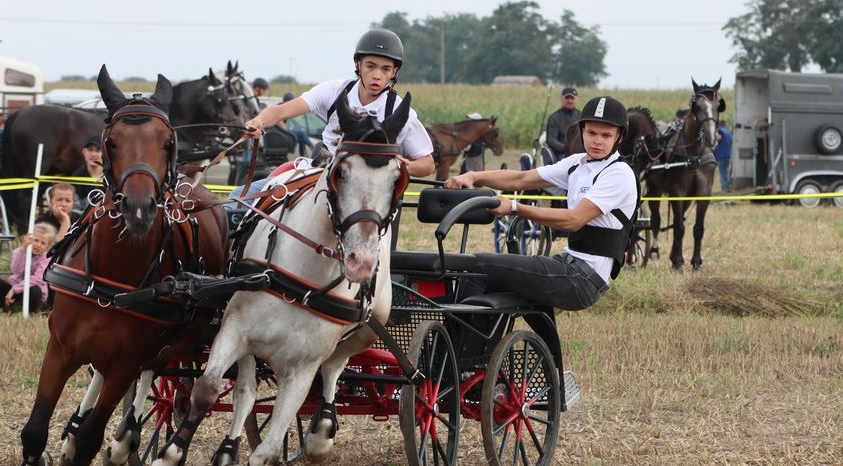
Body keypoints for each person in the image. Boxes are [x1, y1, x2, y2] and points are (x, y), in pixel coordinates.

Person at [445, 96, 638, 310]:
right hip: (567, 263)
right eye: (591, 133)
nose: (597, 141)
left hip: (583, 280)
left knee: (477, 264)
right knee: (482, 273)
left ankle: (454, 337)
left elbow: (574, 220)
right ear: (582, 131)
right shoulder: (577, 163)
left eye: (606, 135)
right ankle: (467, 338)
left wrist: (515, 207)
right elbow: (521, 178)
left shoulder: (618, 173)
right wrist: (473, 176)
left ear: (619, 137)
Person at [240, 28, 436, 178]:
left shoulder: (400, 111)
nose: (377, 75)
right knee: (241, 197)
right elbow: (281, 111)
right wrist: (258, 122)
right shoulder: (332, 91)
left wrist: (402, 166)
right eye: (370, 66)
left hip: (371, 188)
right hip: (320, 174)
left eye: (385, 69)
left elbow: (428, 163)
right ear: (357, 64)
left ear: (394, 73)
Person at [0, 221, 57, 311]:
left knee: (35, 290)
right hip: (16, 288)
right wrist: (23, 250)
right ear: (30, 239)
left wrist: (14, 289)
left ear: (48, 247)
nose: (38, 245)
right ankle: (1, 309)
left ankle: (31, 313)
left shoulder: (47, 259)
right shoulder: (20, 251)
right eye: (36, 240)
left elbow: (37, 280)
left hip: (30, 292)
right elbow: (16, 270)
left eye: (43, 243)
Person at [71, 135, 105, 216]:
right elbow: (75, 210)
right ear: (84, 152)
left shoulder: (112, 177)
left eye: (98, 150)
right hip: (83, 223)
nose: (93, 154)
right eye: (90, 150)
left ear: (104, 153)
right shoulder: (76, 177)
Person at [544, 87, 580, 159]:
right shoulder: (555, 118)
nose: (569, 101)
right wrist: (567, 149)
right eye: (567, 98)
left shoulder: (582, 116)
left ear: (577, 100)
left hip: (581, 153)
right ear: (561, 99)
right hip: (563, 153)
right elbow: (551, 140)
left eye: (572, 98)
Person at [714, 118, 732, 192]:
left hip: (721, 156)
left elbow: (716, 139)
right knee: (725, 172)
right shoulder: (728, 131)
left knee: (723, 173)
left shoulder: (720, 131)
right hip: (727, 155)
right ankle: (727, 187)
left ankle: (724, 189)